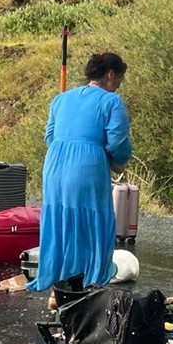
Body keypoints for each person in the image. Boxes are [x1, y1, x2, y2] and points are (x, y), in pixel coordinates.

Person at [27, 51, 132, 299]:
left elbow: (50, 136)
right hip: (87, 164)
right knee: (93, 221)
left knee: (61, 219)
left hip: (55, 165)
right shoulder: (111, 101)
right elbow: (117, 141)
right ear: (110, 74)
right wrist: (118, 159)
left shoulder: (61, 99)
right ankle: (91, 279)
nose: (118, 84)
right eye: (119, 78)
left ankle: (59, 281)